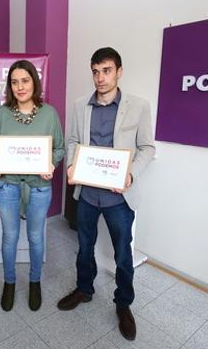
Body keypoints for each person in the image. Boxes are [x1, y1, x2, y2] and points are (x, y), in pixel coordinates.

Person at [57, 47, 155, 340]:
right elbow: (73, 140)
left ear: (119, 72)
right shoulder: (79, 105)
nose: (100, 78)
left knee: (123, 253)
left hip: (118, 197)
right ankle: (84, 289)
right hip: (87, 193)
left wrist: (130, 174)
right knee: (84, 247)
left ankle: (123, 304)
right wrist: (73, 165)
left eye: (107, 71)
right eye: (96, 71)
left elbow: (147, 148)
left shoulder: (138, 106)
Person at [0, 60, 65, 312]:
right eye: (14, 82)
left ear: (34, 82)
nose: (20, 87)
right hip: (8, 185)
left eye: (25, 80)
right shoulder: (2, 114)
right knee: (9, 237)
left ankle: (34, 282)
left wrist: (51, 162)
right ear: (10, 86)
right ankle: (9, 282)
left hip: (39, 186)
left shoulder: (49, 114)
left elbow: (60, 147)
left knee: (35, 237)